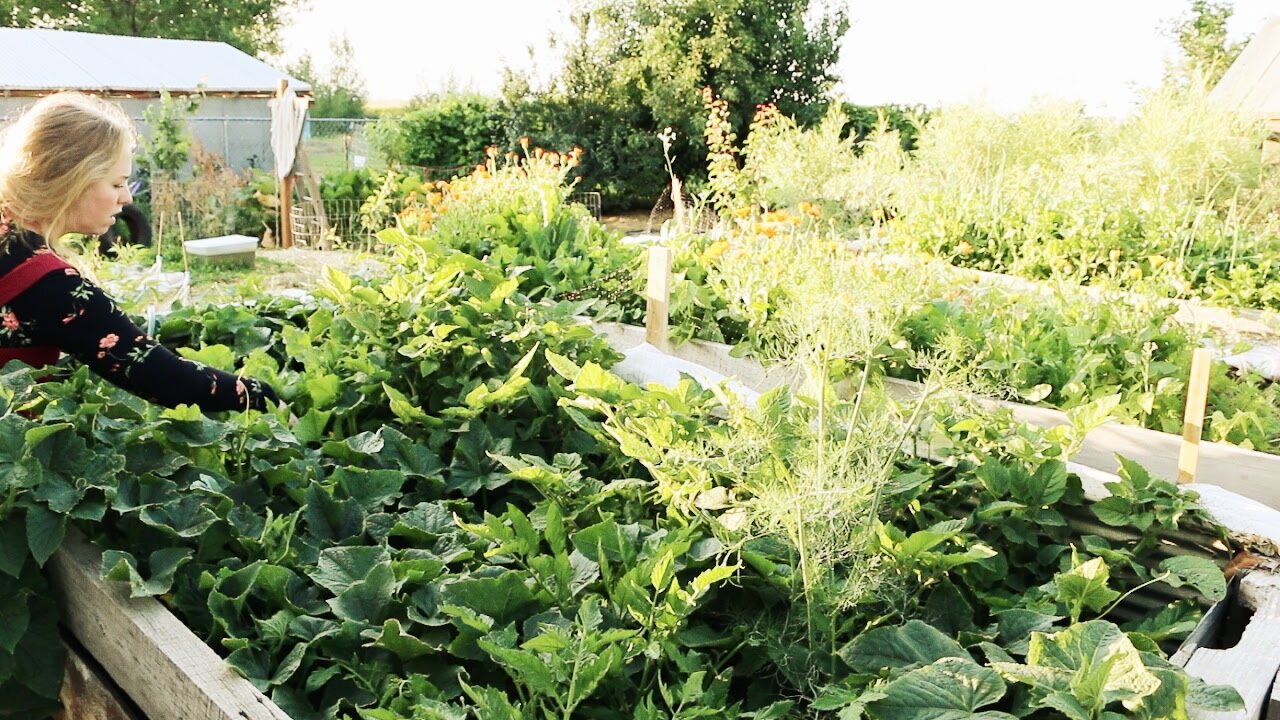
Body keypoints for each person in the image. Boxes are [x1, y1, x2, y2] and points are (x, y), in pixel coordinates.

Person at [0, 91, 279, 411]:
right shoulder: (50, 284)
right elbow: (166, 378)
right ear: (72, 179)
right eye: (117, 183)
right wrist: (262, 397)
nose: (127, 199)